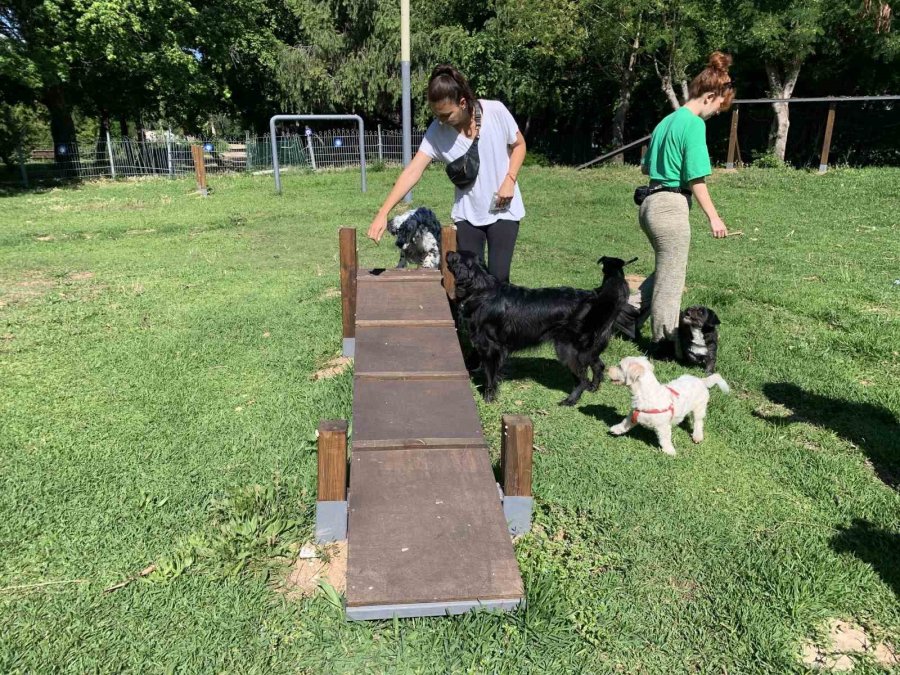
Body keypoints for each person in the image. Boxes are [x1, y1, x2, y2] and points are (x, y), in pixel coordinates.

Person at [367, 64, 527, 283]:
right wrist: (383, 212)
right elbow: (413, 171)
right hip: (468, 215)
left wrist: (510, 180)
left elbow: (519, 145)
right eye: (436, 115)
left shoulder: (495, 111)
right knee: (471, 282)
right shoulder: (437, 132)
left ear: (462, 103)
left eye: (446, 114)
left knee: (499, 281)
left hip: (504, 210)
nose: (441, 120)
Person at [631, 51, 734, 358]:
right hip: (670, 206)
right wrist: (714, 218)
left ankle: (626, 313)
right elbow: (696, 177)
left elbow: (645, 168)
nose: (715, 114)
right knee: (673, 280)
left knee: (666, 267)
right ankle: (664, 344)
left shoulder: (666, 121)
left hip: (649, 203)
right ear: (710, 96)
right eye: (718, 107)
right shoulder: (693, 124)